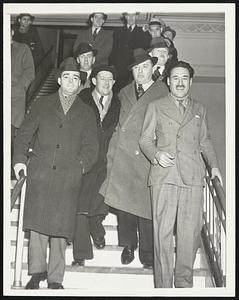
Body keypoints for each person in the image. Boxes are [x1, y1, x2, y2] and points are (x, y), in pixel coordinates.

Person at [12, 57, 99, 289]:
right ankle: (36, 272)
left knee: (61, 229)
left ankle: (55, 278)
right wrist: (20, 160)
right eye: (67, 77)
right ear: (60, 80)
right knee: (38, 225)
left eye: (76, 79)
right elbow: (23, 135)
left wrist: (80, 166)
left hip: (68, 176)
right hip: (40, 172)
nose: (71, 82)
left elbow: (92, 147)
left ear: (81, 83)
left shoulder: (87, 112)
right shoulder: (42, 104)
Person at [139, 61, 223, 288]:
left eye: (184, 78)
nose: (179, 82)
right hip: (165, 176)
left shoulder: (200, 109)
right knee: (162, 235)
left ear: (191, 82)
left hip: (193, 177)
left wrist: (214, 166)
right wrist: (156, 155)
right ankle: (164, 287)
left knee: (190, 235)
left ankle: (184, 284)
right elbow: (145, 140)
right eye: (175, 77)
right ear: (168, 81)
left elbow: (205, 141)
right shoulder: (155, 106)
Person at [100, 48, 168, 269]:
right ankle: (128, 244)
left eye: (145, 67)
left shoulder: (162, 91)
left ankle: (147, 253)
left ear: (152, 68)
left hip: (148, 154)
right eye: (136, 68)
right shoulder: (124, 91)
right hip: (123, 152)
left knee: (146, 205)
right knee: (124, 203)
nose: (140, 71)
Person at [72, 64, 120, 267]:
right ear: (94, 80)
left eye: (110, 79)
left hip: (107, 161)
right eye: (102, 78)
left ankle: (97, 228)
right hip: (84, 158)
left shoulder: (117, 103)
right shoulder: (82, 98)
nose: (106, 83)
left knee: (99, 201)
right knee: (80, 206)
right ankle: (81, 253)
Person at [11, 25, 35, 170]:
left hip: (15, 99)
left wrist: (20, 88)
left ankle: (14, 168)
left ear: (12, 32)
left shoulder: (23, 48)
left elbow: (30, 72)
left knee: (13, 135)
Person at [110, 12, 151, 91]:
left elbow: (146, 49)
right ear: (125, 17)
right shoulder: (118, 32)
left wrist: (145, 32)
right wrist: (112, 66)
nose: (131, 18)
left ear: (137, 17)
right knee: (118, 92)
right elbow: (114, 50)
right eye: (128, 15)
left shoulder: (143, 32)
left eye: (133, 15)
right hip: (120, 69)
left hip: (136, 68)